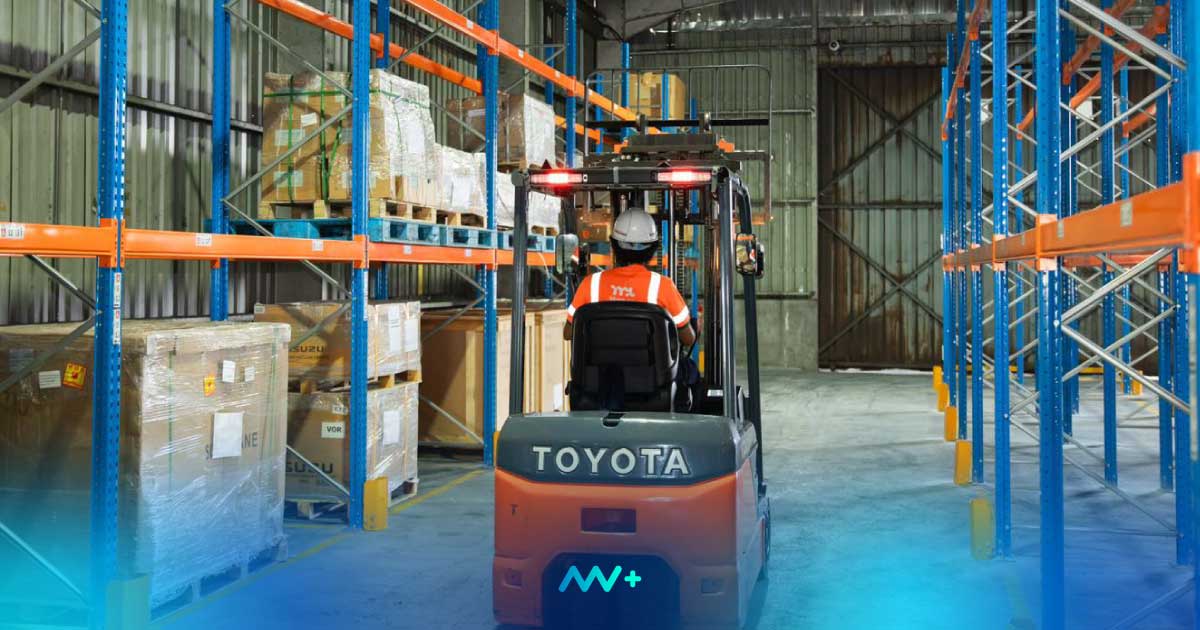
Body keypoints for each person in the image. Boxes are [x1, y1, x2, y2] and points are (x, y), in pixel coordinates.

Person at [563, 207, 697, 347]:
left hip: (599, 362)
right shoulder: (663, 286)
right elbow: (688, 339)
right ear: (652, 248)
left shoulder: (590, 284)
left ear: (614, 245)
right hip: (648, 362)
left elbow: (568, 333)